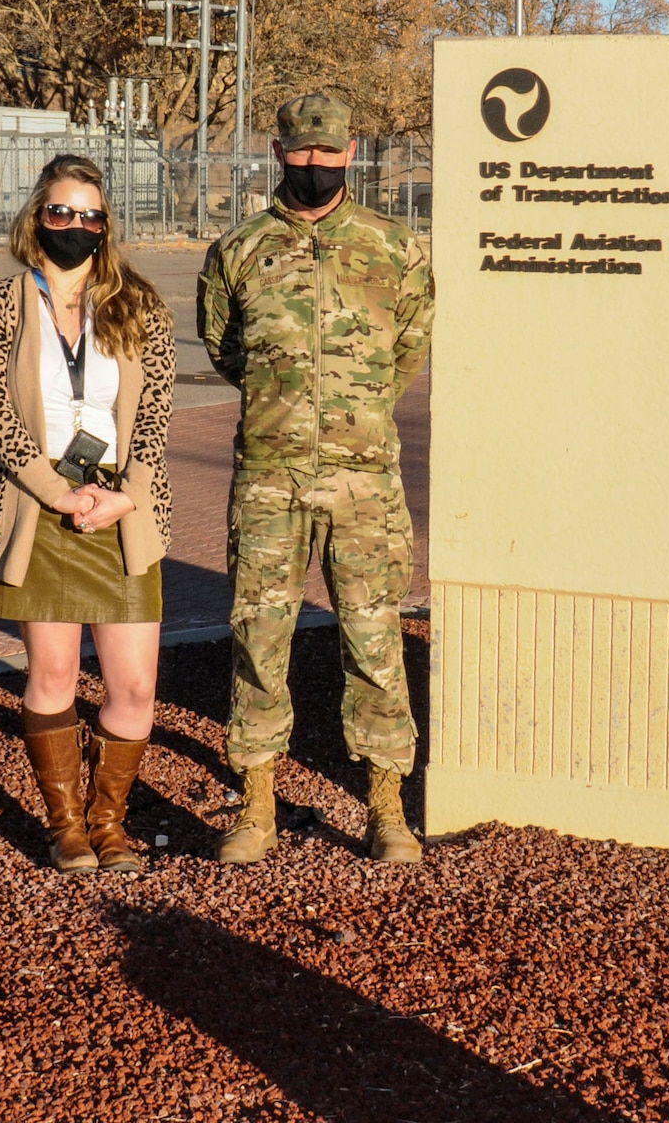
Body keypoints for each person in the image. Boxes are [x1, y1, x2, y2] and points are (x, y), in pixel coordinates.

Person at [198, 93, 435, 865]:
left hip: (363, 479)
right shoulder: (239, 250)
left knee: (373, 637)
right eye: (300, 152)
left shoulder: (394, 247)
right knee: (259, 637)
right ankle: (257, 800)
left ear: (352, 151)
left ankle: (386, 803)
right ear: (276, 150)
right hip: (268, 476)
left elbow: (408, 348)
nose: (314, 166)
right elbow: (226, 351)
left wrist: (349, 418)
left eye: (328, 153)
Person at [0, 154, 174, 874]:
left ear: (106, 226)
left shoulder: (139, 305)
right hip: (38, 505)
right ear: (37, 218)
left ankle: (108, 821)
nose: (75, 226)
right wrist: (55, 491)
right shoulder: (0, 304)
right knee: (53, 677)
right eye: (62, 212)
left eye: (90, 215)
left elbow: (155, 415)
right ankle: (65, 825)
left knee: (135, 687)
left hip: (122, 510)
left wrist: (126, 491)